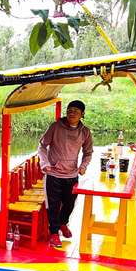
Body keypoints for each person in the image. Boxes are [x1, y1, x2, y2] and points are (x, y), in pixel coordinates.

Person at [37, 100, 93, 248]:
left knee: (69, 203)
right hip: (53, 173)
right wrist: (45, 163)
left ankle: (63, 224)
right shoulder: (55, 127)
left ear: (82, 114)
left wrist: (83, 166)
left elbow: (88, 153)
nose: (71, 113)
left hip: (72, 174)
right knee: (53, 205)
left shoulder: (85, 132)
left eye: (76, 111)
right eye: (69, 110)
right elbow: (42, 145)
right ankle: (54, 233)